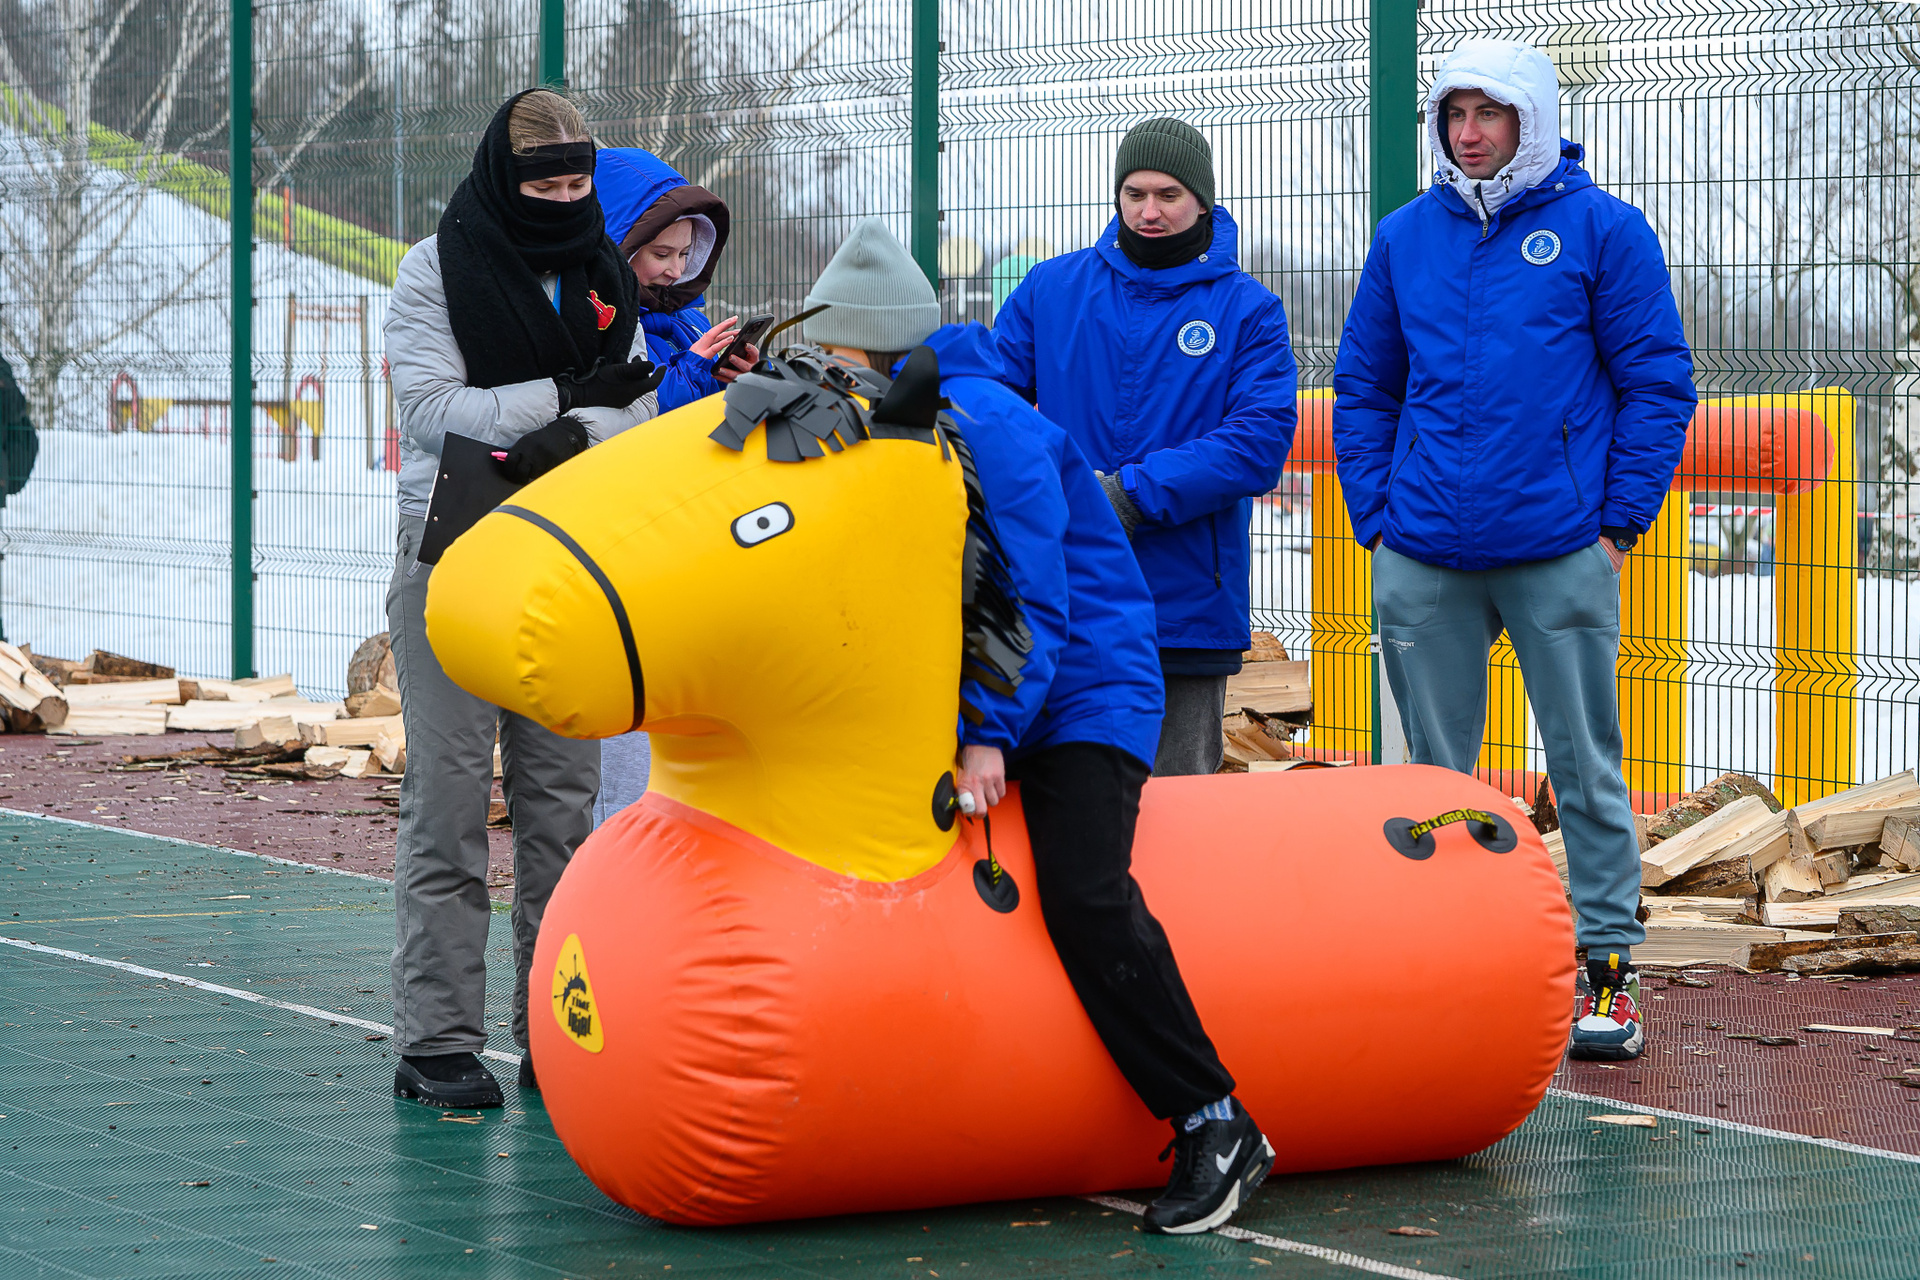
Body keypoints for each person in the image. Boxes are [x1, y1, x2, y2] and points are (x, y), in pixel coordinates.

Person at [804, 219, 1273, 1234]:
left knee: (1084, 890)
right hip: (989, 690)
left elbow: (1029, 602)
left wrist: (986, 733)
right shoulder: (874, 415)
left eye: (833, 359)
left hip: (1086, 692)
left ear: (874, 350)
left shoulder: (987, 423)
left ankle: (1214, 1118)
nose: (824, 380)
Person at [1330, 40, 1696, 1061]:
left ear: (1530, 119)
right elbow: (1365, 387)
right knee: (1429, 783)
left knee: (1585, 768)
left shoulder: (1603, 230)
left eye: (1490, 113)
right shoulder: (1406, 237)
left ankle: (1608, 969)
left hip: (1557, 546)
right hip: (1424, 550)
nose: (1470, 133)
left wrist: (1615, 526)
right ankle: (1445, 967)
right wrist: (1378, 519)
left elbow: (1658, 382)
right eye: (1455, 115)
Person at [383, 88, 661, 1107]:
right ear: (507, 181)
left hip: (567, 560)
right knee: (450, 801)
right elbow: (432, 412)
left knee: (562, 810)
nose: (563, 202)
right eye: (545, 188)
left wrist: (566, 431)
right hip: (453, 553)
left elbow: (638, 409)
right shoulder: (434, 268)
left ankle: (553, 1028)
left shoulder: (604, 272)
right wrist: (565, 404)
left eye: (578, 185)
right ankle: (436, 1042)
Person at [993, 118, 1298, 775]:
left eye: (1168, 195)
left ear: (1202, 201)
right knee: (1060, 799)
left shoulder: (1249, 310)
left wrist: (1127, 496)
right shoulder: (1051, 290)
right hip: (1063, 593)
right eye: (1134, 194)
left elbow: (1258, 441)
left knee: (1178, 805)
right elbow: (990, 406)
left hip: (1184, 606)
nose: (1149, 211)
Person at [587, 149, 759, 828]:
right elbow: (630, 428)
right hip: (626, 550)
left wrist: (741, 379)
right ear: (618, 241)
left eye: (686, 254)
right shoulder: (596, 326)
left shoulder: (687, 320)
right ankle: (613, 855)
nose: (673, 268)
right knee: (626, 736)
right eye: (659, 252)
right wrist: (690, 374)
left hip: (688, 548)